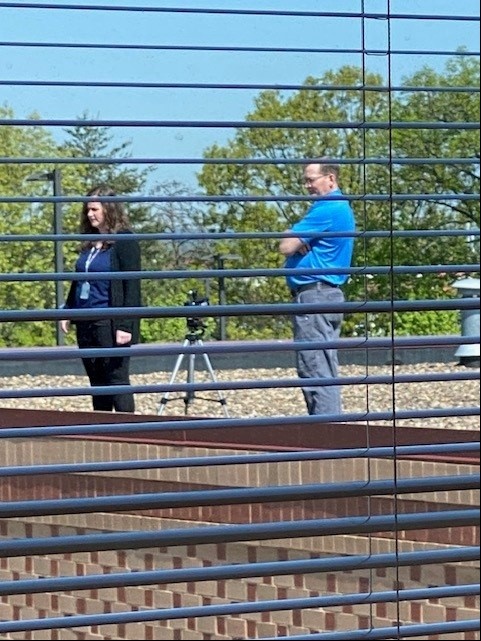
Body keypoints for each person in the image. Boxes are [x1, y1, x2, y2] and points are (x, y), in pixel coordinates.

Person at [279, 160, 355, 416]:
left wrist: (295, 239)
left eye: (311, 179)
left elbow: (285, 246)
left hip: (315, 295)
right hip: (325, 294)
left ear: (330, 179)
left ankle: (327, 433)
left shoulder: (328, 208)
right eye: (306, 180)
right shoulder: (337, 208)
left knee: (315, 367)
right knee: (322, 364)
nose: (307, 185)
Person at [60, 185, 141, 413]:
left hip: (110, 322)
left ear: (109, 209)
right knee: (97, 383)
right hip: (86, 321)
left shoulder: (124, 241)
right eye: (88, 210)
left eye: (94, 209)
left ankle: (127, 434)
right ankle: (103, 434)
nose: (90, 214)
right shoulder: (90, 242)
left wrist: (125, 325)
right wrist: (67, 309)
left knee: (116, 380)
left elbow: (132, 285)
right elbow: (80, 279)